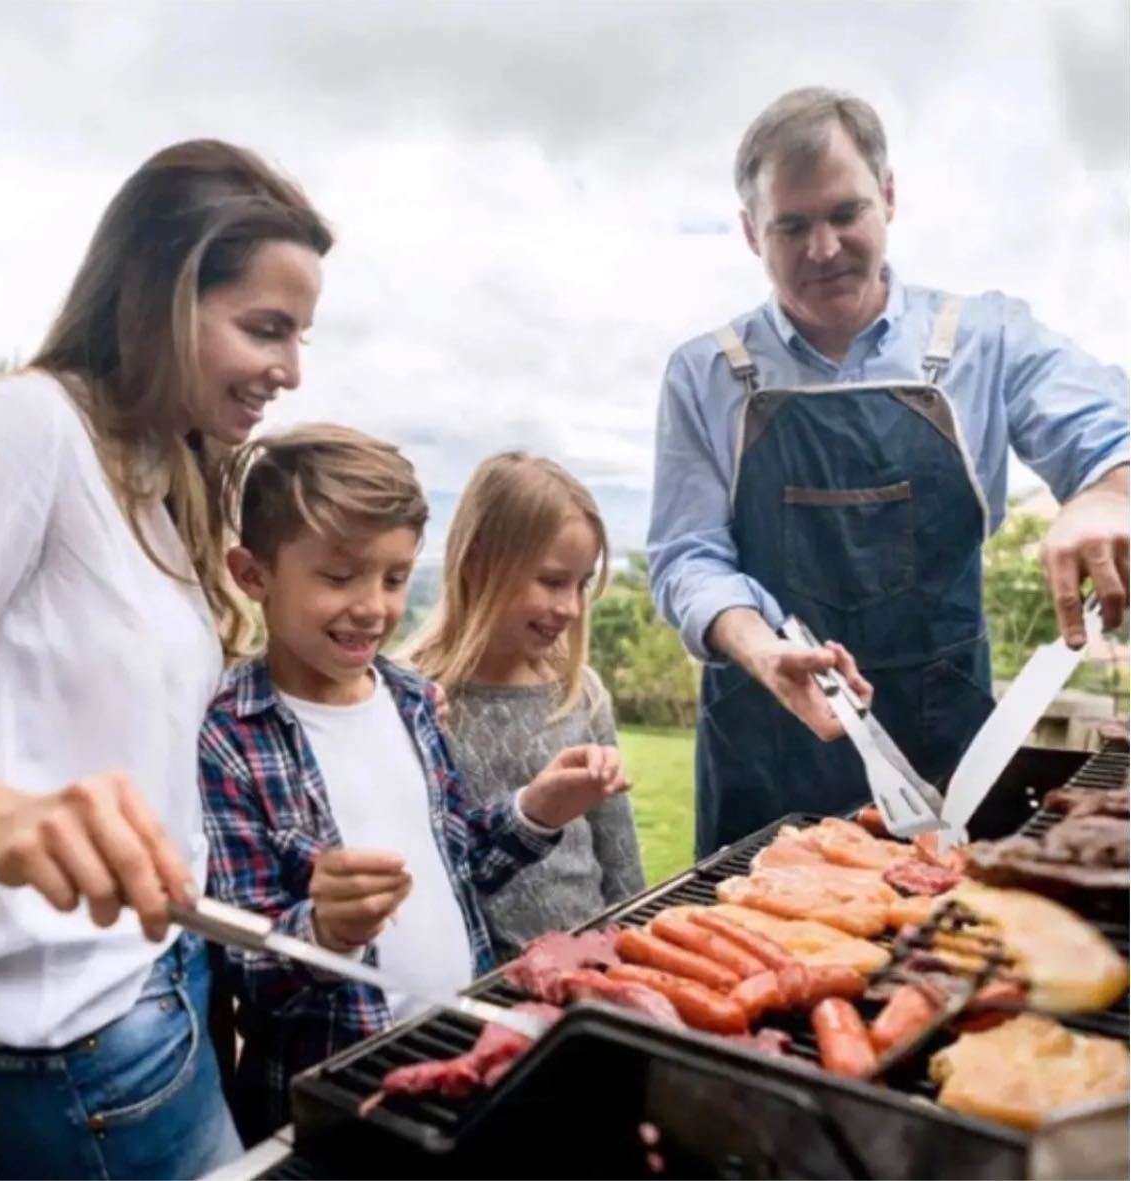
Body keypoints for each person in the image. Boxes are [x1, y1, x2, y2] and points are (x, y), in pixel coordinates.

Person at [0, 139, 331, 1179]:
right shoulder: (21, 433)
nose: (291, 368)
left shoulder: (159, 469)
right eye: (265, 328)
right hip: (62, 1051)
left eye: (301, 334)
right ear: (162, 296)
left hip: (157, 987)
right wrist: (5, 818)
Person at [648, 87, 1130, 856]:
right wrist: (759, 646)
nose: (824, 249)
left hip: (948, 744)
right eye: (792, 226)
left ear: (890, 198)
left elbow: (1105, 429)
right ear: (749, 233)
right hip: (761, 740)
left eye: (845, 214)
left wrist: (1108, 491)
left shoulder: (986, 339)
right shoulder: (706, 373)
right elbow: (687, 555)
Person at [199, 425, 630, 1144]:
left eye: (394, 577)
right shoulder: (230, 737)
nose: (372, 605)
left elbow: (462, 861)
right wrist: (327, 929)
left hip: (462, 1044)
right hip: (342, 1085)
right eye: (339, 576)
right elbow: (249, 966)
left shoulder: (408, 698)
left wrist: (536, 809)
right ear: (254, 573)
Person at [407, 452, 645, 962]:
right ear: (476, 562)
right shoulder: (416, 699)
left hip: (593, 964)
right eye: (553, 581)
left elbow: (618, 849)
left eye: (581, 585)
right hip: (483, 982)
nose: (572, 608)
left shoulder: (580, 692)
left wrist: (634, 948)